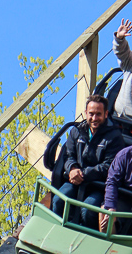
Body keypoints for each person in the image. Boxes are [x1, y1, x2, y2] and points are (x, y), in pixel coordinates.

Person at [52, 95, 125, 228]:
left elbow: (109, 166)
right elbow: (68, 155)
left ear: (106, 114)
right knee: (58, 200)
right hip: (74, 180)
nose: (94, 118)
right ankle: (55, 232)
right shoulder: (77, 131)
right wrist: (72, 168)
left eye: (99, 114)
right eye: (91, 114)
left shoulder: (115, 138)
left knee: (88, 211)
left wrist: (83, 174)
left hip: (98, 186)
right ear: (85, 113)